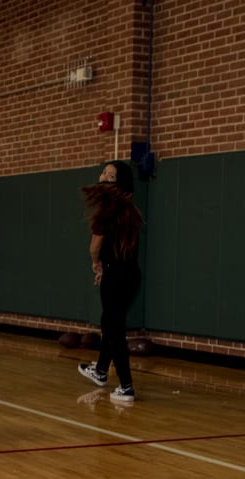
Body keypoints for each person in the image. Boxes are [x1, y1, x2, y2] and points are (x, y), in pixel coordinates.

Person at [75, 160, 143, 402]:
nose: (103, 176)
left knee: (114, 329)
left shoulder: (107, 210)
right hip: (130, 274)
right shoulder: (129, 209)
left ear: (119, 183)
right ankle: (101, 371)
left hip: (116, 275)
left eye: (110, 176)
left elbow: (95, 246)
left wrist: (97, 263)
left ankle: (126, 387)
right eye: (104, 172)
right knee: (110, 321)